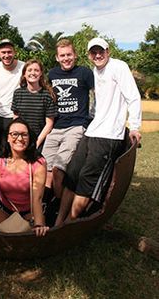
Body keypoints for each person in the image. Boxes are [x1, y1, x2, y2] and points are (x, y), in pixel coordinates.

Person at [55, 37, 142, 225]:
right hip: (92, 131)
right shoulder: (95, 71)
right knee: (72, 174)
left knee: (87, 181)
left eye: (101, 51)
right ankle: (58, 222)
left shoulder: (118, 67)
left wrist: (134, 126)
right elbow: (98, 101)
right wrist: (89, 119)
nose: (98, 55)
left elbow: (133, 97)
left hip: (108, 136)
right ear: (88, 55)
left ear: (108, 51)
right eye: (93, 52)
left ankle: (69, 226)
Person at [42, 39, 94, 201]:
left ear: (75, 55)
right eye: (62, 55)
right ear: (57, 58)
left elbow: (99, 93)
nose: (66, 58)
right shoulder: (52, 74)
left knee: (58, 169)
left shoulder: (85, 73)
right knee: (44, 169)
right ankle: (46, 203)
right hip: (56, 127)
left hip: (76, 126)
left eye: (69, 55)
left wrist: (93, 117)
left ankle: (60, 206)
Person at [11, 59, 57, 152]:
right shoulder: (18, 93)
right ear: (24, 74)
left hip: (39, 140)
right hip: (21, 139)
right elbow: (16, 118)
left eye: (36, 70)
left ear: (40, 74)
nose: (33, 73)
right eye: (30, 70)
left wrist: (37, 143)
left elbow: (49, 124)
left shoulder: (47, 95)